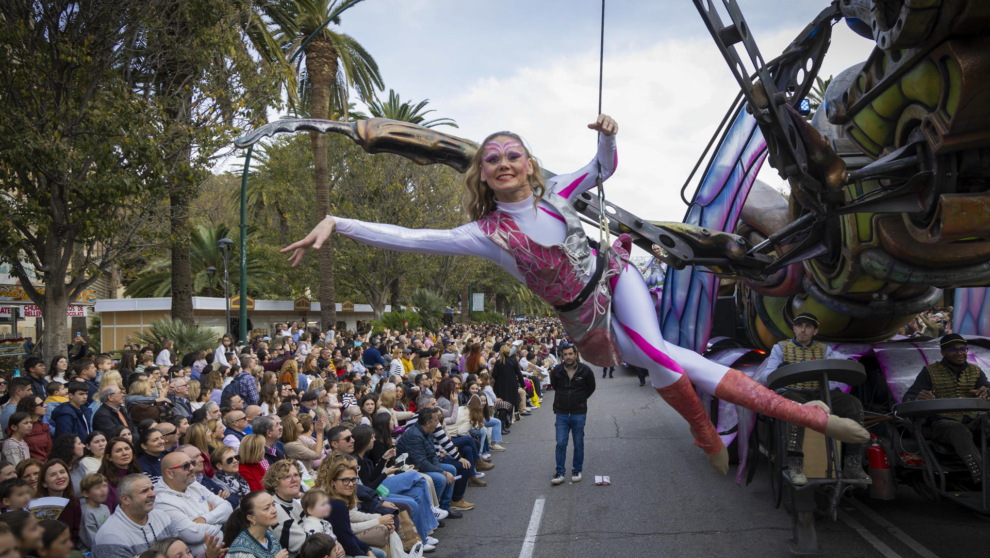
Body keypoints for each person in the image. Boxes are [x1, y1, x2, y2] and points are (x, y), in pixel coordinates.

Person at [283, 115, 869, 474]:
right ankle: (770, 419)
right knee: (665, 358)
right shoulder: (485, 236)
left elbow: (602, 167)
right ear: (483, 175)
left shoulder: (561, 192)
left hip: (618, 278)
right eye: (493, 160)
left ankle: (718, 428)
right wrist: (338, 221)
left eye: (514, 155)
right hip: (583, 323)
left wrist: (609, 139)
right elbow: (410, 239)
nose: (505, 163)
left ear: (529, 166)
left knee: (661, 354)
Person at [755, 313, 871, 486]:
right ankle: (795, 464)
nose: (803, 330)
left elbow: (837, 370)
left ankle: (852, 464)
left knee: (853, 405)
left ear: (815, 330)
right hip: (791, 392)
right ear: (794, 328)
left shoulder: (824, 350)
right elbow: (765, 376)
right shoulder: (780, 348)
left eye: (808, 327)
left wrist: (845, 366)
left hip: (818, 392)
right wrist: (779, 369)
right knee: (797, 408)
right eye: (799, 326)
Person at [903, 333, 990, 483]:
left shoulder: (975, 371)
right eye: (953, 350)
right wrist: (918, 398)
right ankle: (983, 478)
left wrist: (987, 391)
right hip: (942, 424)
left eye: (963, 349)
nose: (960, 353)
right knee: (958, 429)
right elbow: (908, 398)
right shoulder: (929, 372)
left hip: (972, 421)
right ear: (943, 352)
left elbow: (987, 387)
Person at [154, 452, 233, 556]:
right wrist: (219, 522)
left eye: (192, 463)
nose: (192, 468)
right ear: (169, 473)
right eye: (186, 466)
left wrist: (204, 519)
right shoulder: (162, 502)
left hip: (218, 551)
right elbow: (193, 535)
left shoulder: (193, 483)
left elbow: (228, 508)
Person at [549, 343, 595, 485]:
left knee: (578, 443)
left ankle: (577, 469)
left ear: (575, 354)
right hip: (561, 413)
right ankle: (560, 472)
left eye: (570, 354)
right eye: (565, 354)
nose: (568, 357)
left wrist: (579, 400)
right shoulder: (557, 370)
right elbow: (555, 386)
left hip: (578, 412)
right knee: (561, 443)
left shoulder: (585, 370)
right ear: (562, 355)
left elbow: (591, 388)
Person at [78, 473, 111, 552]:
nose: (103, 490)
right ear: (86, 493)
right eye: (97, 488)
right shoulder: (86, 512)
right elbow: (91, 540)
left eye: (104, 485)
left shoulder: (105, 507)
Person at [15, 396, 52, 460]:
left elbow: (49, 448)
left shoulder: (44, 427)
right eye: (41, 404)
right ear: (30, 407)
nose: (45, 405)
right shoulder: (18, 427)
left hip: (45, 464)